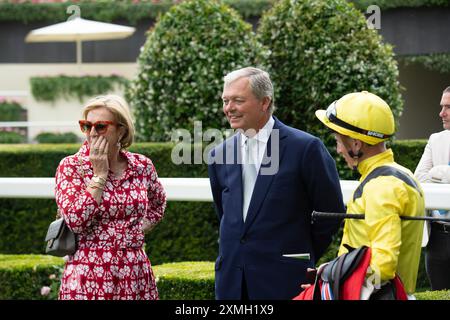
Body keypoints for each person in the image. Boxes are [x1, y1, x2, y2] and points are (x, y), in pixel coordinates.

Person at [207, 67, 345, 300]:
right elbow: (225, 214)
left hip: (285, 282)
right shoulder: (219, 154)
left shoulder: (305, 148)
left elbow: (330, 213)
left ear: (264, 102)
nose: (229, 108)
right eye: (225, 100)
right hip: (231, 285)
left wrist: (298, 254)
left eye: (238, 100)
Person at [314, 91, 425, 298]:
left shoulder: (380, 185)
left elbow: (382, 267)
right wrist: (333, 270)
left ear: (356, 144)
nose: (338, 149)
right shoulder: (399, 174)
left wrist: (343, 288)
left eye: (339, 140)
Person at [55, 95, 166, 300]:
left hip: (135, 272)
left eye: (101, 126)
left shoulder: (142, 166)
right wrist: (99, 176)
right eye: (86, 126)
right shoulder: (71, 167)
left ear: (121, 130)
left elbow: (158, 204)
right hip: (88, 274)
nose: (92, 133)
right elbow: (76, 222)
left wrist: (134, 231)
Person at [414, 86, 450, 290]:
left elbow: (431, 175)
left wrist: (440, 171)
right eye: (441, 106)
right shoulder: (435, 139)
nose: (441, 113)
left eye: (448, 107)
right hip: (436, 238)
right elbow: (419, 178)